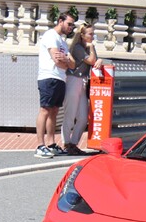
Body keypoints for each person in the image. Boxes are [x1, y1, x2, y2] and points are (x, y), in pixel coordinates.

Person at [35, 12, 76, 158]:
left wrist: (65, 59)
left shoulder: (63, 42)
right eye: (69, 24)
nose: (71, 27)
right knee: (45, 110)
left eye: (73, 25)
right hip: (49, 77)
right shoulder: (50, 36)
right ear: (60, 21)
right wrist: (66, 62)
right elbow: (57, 61)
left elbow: (72, 63)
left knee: (54, 112)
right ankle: (40, 146)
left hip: (60, 78)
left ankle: (51, 144)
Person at [62, 23, 103, 156]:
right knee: (70, 113)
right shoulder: (79, 48)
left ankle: (74, 143)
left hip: (83, 81)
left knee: (83, 117)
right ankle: (66, 143)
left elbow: (95, 61)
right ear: (82, 35)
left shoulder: (88, 46)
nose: (92, 36)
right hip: (74, 79)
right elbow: (91, 60)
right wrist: (92, 51)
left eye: (93, 33)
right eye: (90, 34)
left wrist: (99, 59)